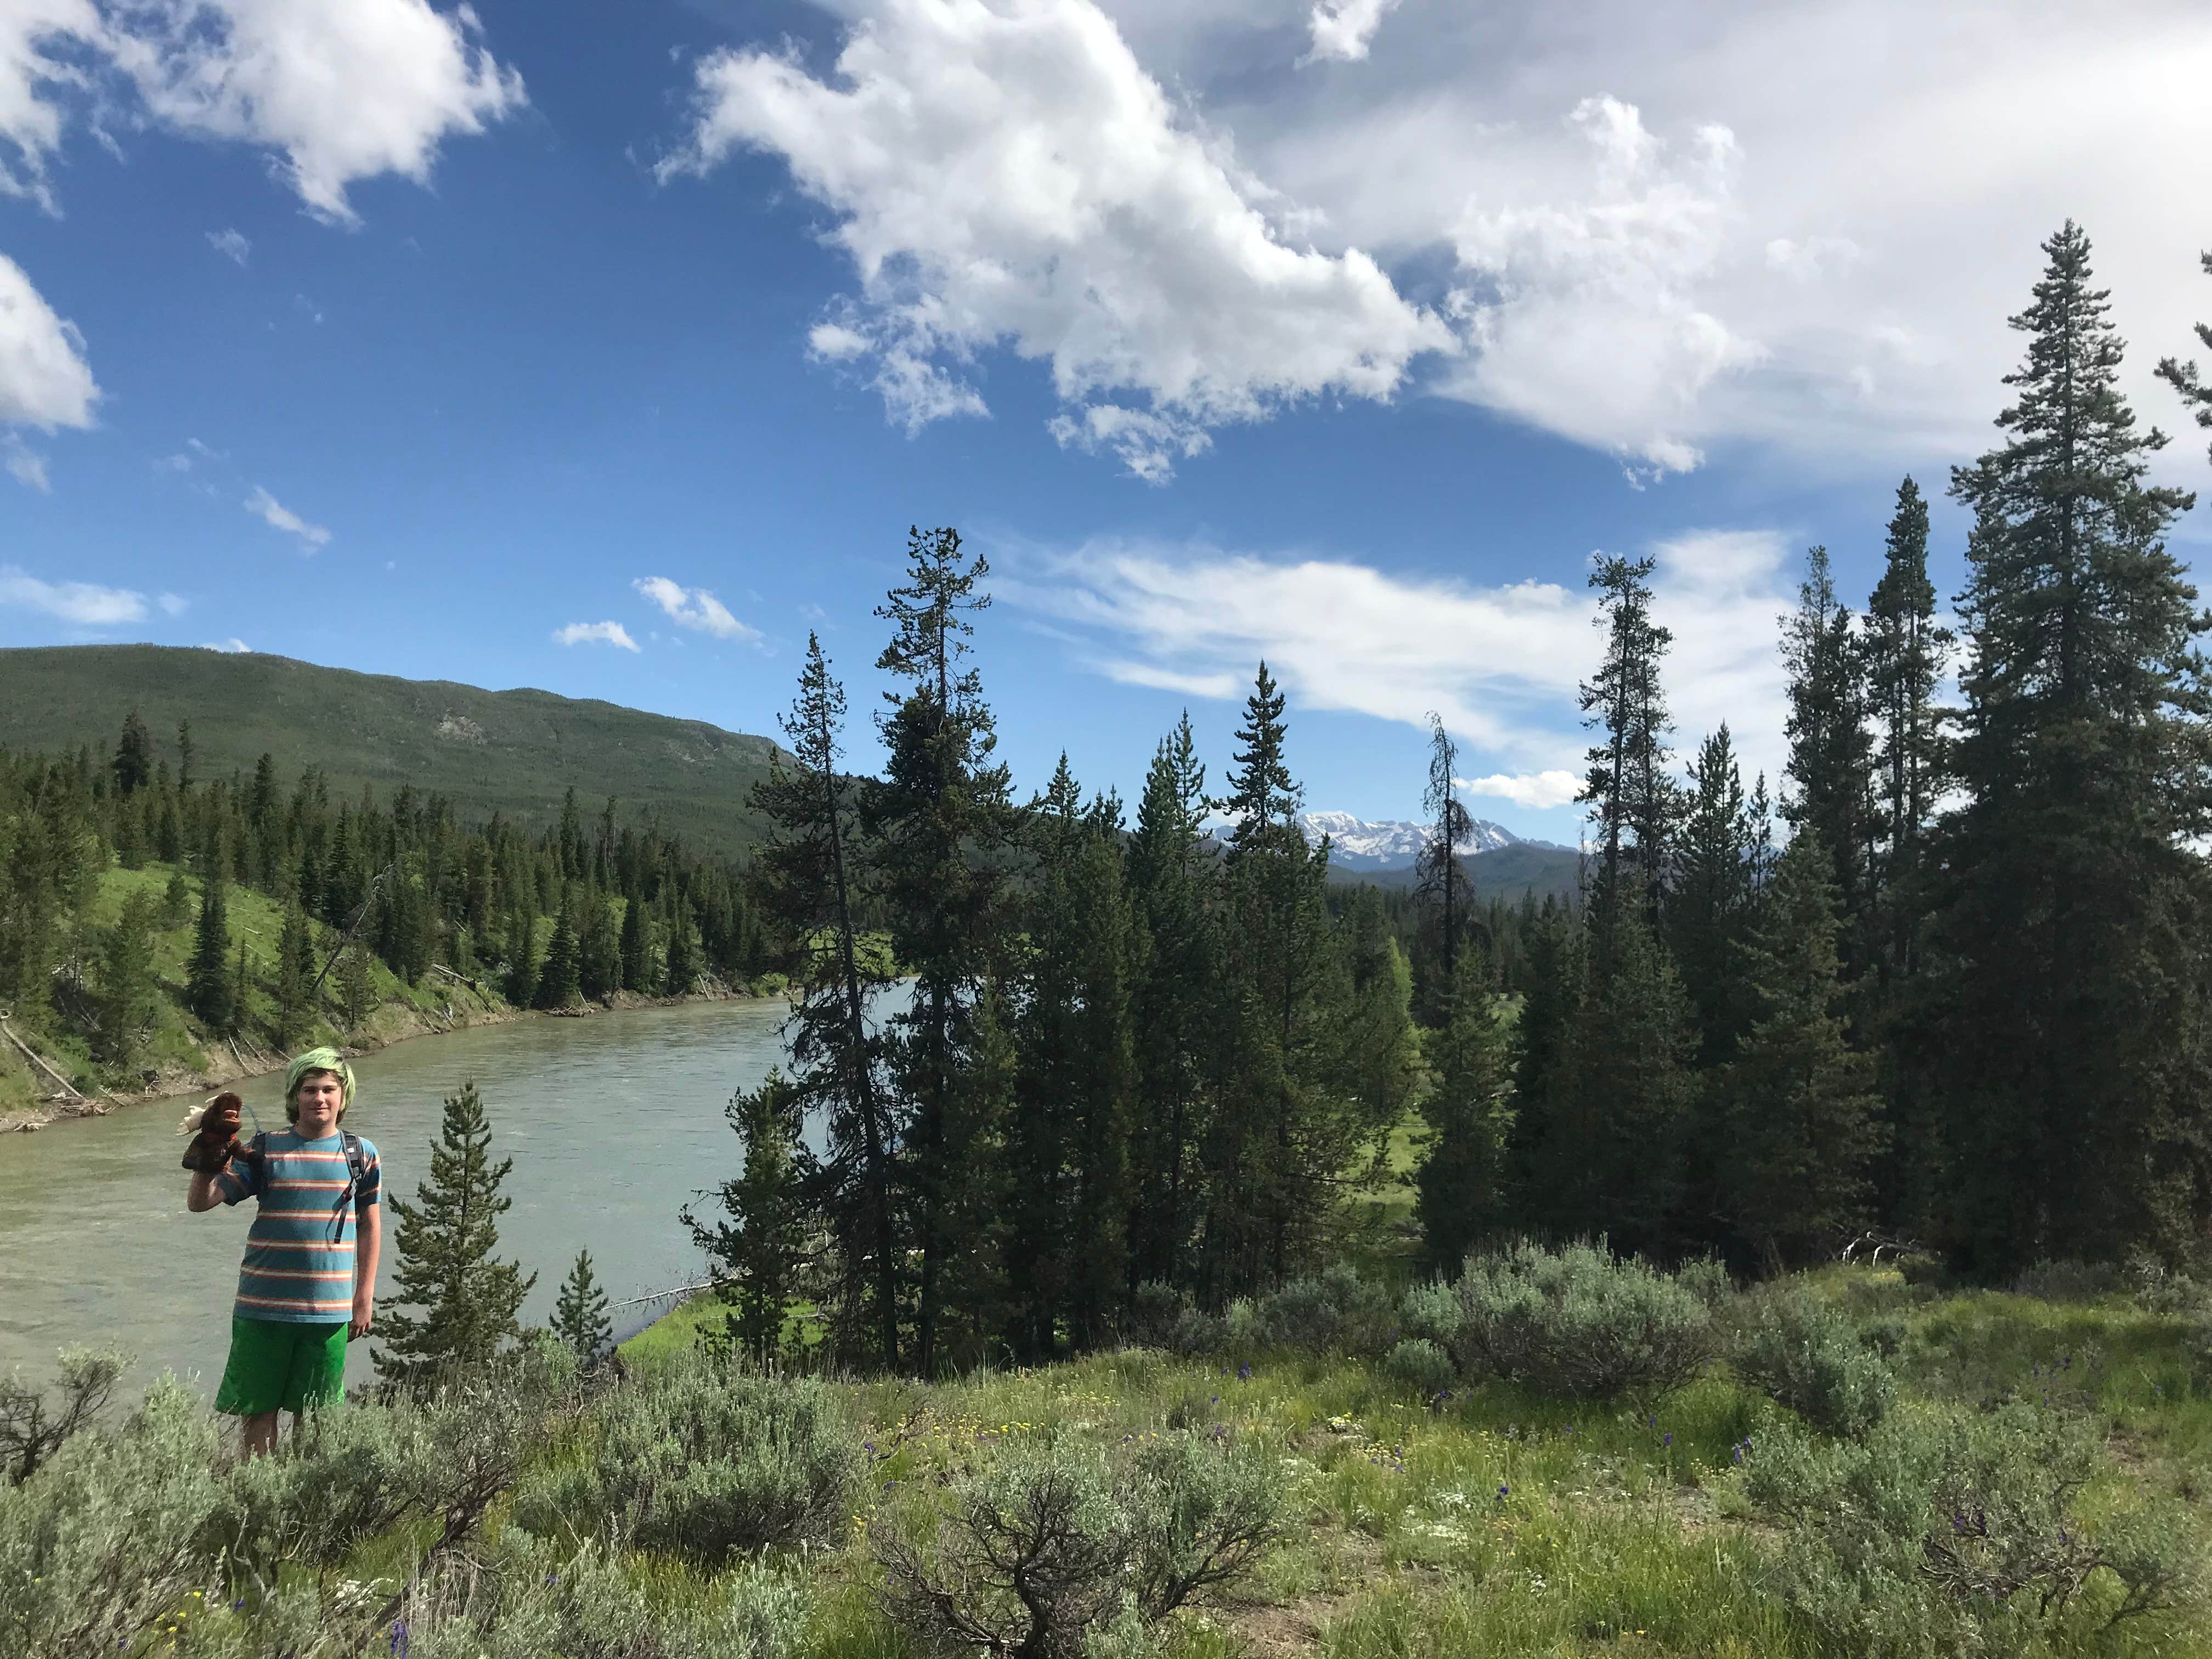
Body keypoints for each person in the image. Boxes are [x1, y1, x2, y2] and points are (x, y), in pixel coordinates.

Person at [183, 1048, 382, 1456]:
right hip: (263, 1307)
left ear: (344, 1097)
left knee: (318, 1414)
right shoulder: (265, 1149)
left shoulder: (361, 1154)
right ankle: (259, 1499)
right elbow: (201, 1202)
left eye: (329, 1089)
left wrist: (364, 1298)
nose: (319, 1098)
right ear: (295, 1096)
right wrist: (211, 1150)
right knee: (259, 1412)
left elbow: (370, 1226)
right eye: (310, 1089)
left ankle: (306, 1502)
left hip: (328, 1311)